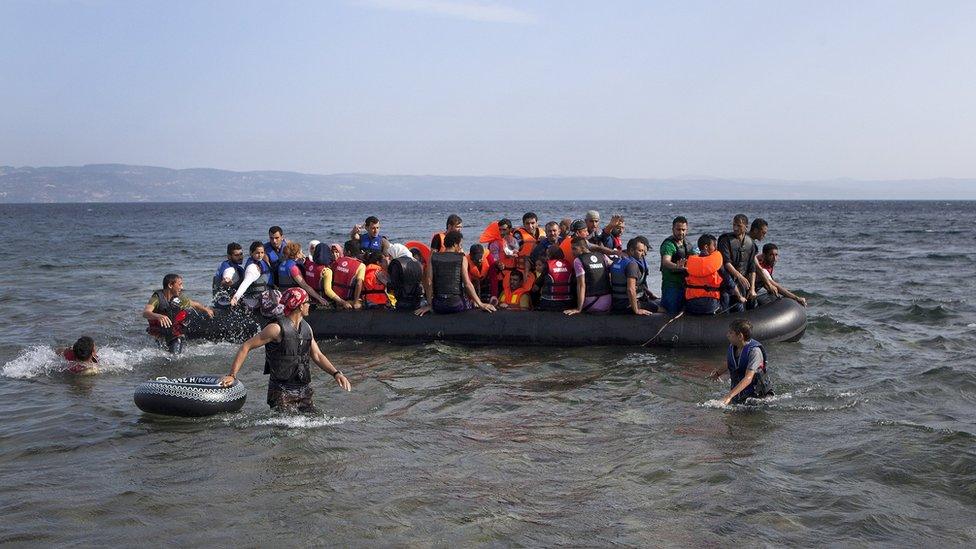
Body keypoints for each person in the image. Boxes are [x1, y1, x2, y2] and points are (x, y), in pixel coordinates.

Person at [220, 288, 352, 412]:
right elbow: (246, 346)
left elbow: (317, 355)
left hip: (303, 389)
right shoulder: (275, 329)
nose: (309, 306)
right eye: (308, 302)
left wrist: (336, 373)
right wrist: (232, 375)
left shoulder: (307, 328)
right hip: (281, 391)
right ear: (300, 306)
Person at [415, 231, 496, 315]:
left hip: (438, 305)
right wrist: (480, 304)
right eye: (460, 244)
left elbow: (428, 282)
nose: (461, 247)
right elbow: (467, 284)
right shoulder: (462, 258)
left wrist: (430, 305)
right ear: (454, 244)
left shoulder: (433, 256)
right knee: (471, 304)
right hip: (456, 305)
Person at [143, 273, 214, 353]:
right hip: (160, 334)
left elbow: (194, 304)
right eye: (180, 284)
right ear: (170, 285)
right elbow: (146, 313)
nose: (182, 287)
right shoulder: (157, 298)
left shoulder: (180, 299)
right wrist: (158, 316)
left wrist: (206, 310)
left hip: (175, 334)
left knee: (175, 357)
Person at [710, 319, 773, 405]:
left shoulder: (754, 351)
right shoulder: (733, 347)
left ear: (740, 336)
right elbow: (730, 362)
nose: (727, 335)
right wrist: (717, 373)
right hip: (741, 394)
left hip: (758, 397)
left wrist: (729, 396)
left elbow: (748, 378)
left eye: (730, 333)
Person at [717, 214, 756, 313]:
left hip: (741, 284)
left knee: (740, 309)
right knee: (725, 310)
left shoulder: (750, 243)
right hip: (726, 283)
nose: (735, 228)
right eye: (734, 225)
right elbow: (726, 262)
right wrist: (738, 276)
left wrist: (752, 288)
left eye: (739, 226)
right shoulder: (725, 240)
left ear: (746, 227)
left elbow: (752, 268)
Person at [659, 216, 697, 315]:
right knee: (672, 312)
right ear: (673, 229)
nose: (681, 232)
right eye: (678, 229)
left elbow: (695, 258)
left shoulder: (687, 243)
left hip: (685, 285)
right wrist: (677, 266)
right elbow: (666, 261)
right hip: (672, 285)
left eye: (683, 230)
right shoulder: (668, 245)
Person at [564, 237, 612, 315]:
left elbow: (581, 285)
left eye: (574, 249)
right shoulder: (602, 256)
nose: (572, 252)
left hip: (591, 305)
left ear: (583, 248)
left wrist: (579, 308)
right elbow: (612, 265)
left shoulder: (578, 260)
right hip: (608, 303)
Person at [609, 238, 654, 315]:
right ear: (632, 251)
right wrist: (636, 310)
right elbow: (630, 289)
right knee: (661, 309)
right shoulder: (632, 264)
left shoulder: (617, 261)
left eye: (643, 251)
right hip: (626, 305)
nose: (643, 254)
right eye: (640, 251)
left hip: (616, 303)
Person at [684, 234, 724, 315]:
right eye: (714, 246)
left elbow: (684, 282)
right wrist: (740, 296)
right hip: (710, 305)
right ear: (706, 247)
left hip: (691, 304)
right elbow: (729, 282)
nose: (716, 249)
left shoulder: (689, 263)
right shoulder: (716, 264)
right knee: (726, 296)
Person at [231, 241, 272, 309]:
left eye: (262, 252)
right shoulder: (252, 268)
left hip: (261, 299)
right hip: (254, 302)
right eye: (257, 253)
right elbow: (245, 283)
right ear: (251, 253)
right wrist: (236, 297)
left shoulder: (261, 262)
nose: (260, 255)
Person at [386, 243, 425, 311]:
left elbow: (394, 284)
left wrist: (385, 282)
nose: (389, 258)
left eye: (390, 255)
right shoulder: (417, 263)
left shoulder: (396, 263)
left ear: (395, 252)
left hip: (402, 301)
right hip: (417, 302)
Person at [534, 246, 574, 312]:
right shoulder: (568, 264)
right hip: (567, 301)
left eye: (547, 254)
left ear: (551, 255)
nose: (547, 257)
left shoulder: (548, 265)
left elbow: (537, 285)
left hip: (549, 302)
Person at [329, 240, 366, 309]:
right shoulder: (361, 265)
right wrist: (355, 302)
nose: (343, 251)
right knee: (364, 302)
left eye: (344, 250)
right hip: (348, 299)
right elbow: (359, 284)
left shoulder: (337, 261)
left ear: (348, 252)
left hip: (334, 298)